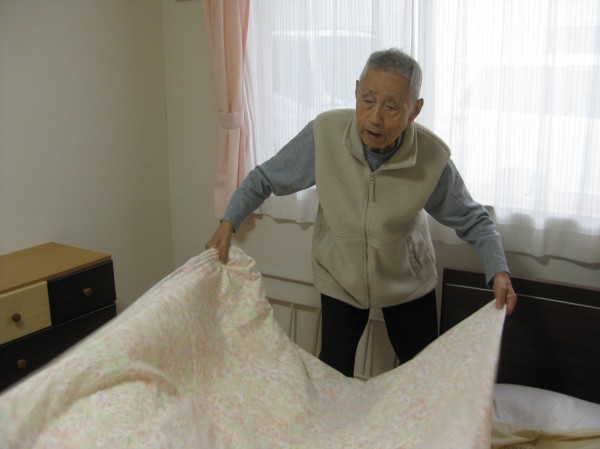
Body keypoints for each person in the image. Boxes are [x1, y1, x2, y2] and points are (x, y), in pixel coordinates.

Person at [206, 48, 517, 377]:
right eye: (368, 100)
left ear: (415, 110)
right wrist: (228, 223)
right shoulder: (326, 135)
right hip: (341, 276)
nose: (375, 117)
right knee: (333, 373)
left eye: (392, 107)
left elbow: (474, 219)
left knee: (423, 375)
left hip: (407, 280)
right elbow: (265, 178)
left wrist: (499, 272)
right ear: (356, 92)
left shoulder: (430, 157)